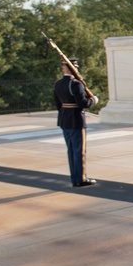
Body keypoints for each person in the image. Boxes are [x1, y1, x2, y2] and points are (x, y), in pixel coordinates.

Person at [53, 57, 99, 187]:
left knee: (71, 150)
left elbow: (58, 104)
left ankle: (74, 178)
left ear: (64, 68)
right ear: (74, 68)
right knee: (79, 150)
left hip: (64, 120)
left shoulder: (58, 83)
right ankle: (81, 179)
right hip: (76, 120)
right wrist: (93, 100)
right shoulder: (76, 84)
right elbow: (82, 103)